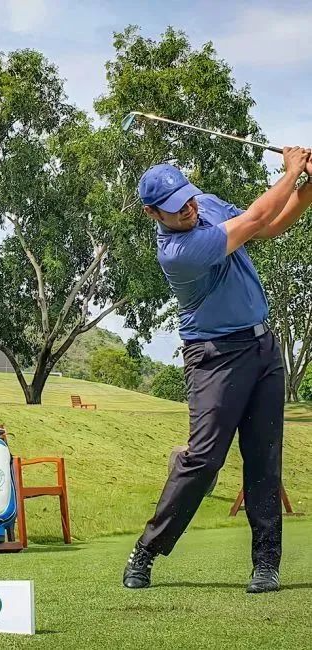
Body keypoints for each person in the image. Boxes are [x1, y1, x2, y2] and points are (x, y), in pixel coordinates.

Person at [122, 146, 312, 594]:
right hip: (215, 358)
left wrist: (308, 187)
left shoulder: (205, 204)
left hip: (263, 348)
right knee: (204, 459)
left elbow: (267, 225)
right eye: (174, 207)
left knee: (264, 458)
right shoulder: (178, 252)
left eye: (187, 198)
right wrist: (292, 171)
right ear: (153, 214)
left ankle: (266, 564)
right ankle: (146, 550)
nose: (188, 208)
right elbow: (253, 217)